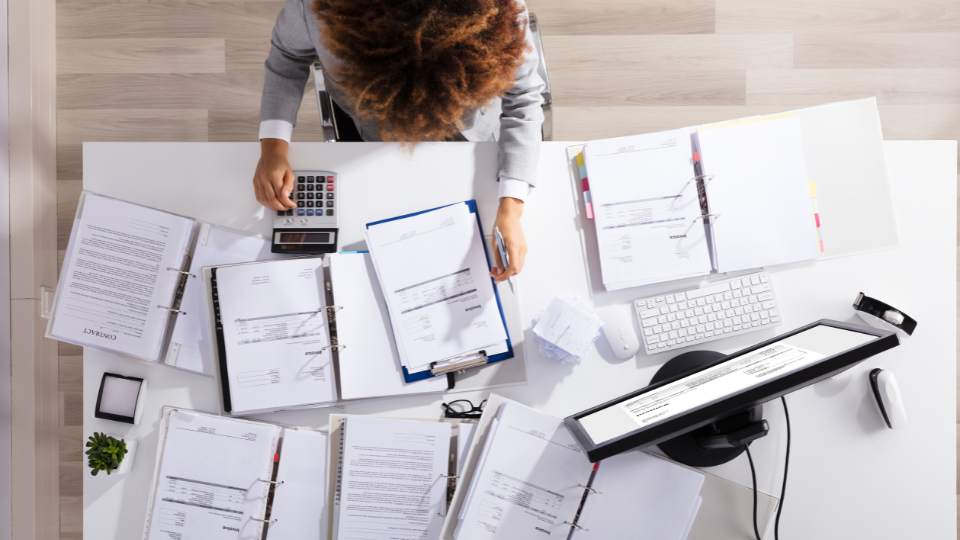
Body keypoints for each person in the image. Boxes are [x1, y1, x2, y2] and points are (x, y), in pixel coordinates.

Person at [253, 0, 544, 283]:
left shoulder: (499, 6)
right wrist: (273, 147)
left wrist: (512, 207)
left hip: (474, 139)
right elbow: (287, 56)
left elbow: (524, 97)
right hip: (378, 138)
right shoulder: (314, 8)